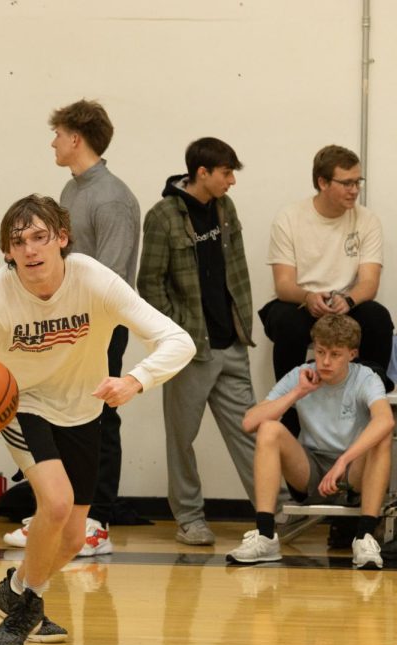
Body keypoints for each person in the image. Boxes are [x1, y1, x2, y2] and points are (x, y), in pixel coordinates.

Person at [0, 195, 194, 645]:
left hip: (85, 409)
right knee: (58, 501)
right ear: (8, 252)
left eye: (40, 237)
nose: (30, 250)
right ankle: (28, 609)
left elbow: (177, 340)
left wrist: (136, 380)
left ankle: (18, 586)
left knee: (72, 536)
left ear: (62, 239)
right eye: (18, 241)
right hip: (22, 403)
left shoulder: (93, 279)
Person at [3, 99, 141, 556]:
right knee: (59, 414)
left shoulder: (113, 197)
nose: (53, 142)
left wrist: (83, 320)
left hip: (98, 328)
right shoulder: (70, 191)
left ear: (76, 138)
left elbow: (114, 277)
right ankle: (58, 514)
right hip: (61, 325)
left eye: (58, 134)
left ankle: (96, 520)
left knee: (100, 414)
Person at [137, 137, 260, 546]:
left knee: (250, 433)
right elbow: (149, 284)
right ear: (202, 173)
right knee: (181, 438)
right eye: (226, 173)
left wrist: (241, 323)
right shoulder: (162, 217)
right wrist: (177, 334)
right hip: (189, 350)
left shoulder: (226, 209)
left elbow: (237, 270)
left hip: (232, 344)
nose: (232, 181)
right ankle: (190, 518)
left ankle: (271, 514)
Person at [227, 315, 393, 569]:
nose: (325, 361)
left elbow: (385, 421)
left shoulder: (365, 377)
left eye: (335, 354)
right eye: (320, 352)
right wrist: (298, 392)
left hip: (353, 471)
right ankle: (265, 535)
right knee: (269, 428)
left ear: (352, 354)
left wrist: (343, 461)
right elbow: (249, 422)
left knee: (381, 436)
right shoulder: (300, 376)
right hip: (311, 469)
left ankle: (365, 537)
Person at [259, 145, 393, 417]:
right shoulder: (290, 218)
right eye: (346, 183)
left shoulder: (367, 220)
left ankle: (370, 398)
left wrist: (349, 299)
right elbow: (283, 284)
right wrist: (308, 298)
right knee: (287, 322)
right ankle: (289, 409)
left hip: (345, 302)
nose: (354, 190)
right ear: (322, 182)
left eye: (358, 182)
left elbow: (369, 282)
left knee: (378, 317)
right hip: (301, 302)